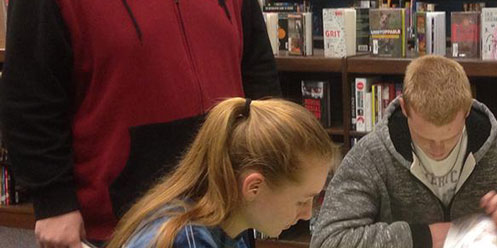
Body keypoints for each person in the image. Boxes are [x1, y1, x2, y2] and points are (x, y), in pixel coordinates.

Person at [0, 0, 280, 245]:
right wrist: (53, 201)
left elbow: (259, 75)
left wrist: (270, 165)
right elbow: (29, 104)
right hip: (123, 225)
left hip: (223, 214)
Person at [311, 55, 497, 248]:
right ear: (405, 108)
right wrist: (425, 236)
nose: (438, 150)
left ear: (467, 110)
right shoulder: (369, 157)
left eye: (450, 137)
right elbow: (327, 240)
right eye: (425, 138)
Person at [106, 98, 337, 248]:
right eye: (302, 200)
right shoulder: (186, 241)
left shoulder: (231, 226)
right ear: (253, 187)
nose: (307, 213)